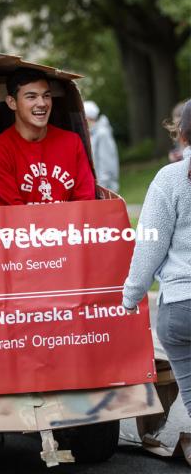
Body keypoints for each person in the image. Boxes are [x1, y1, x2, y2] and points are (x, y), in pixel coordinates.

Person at [122, 98, 191, 418]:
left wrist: (131, 296)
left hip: (182, 306)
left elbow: (150, 244)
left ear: (182, 135)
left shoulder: (171, 178)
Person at [0, 69, 95, 205]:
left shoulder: (72, 142)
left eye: (46, 96)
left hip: (72, 226)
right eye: (31, 97)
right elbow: (12, 215)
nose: (42, 103)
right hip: (25, 226)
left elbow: (86, 202)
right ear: (12, 103)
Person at [83, 100, 120, 192]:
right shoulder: (93, 134)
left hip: (106, 190)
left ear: (88, 117)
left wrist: (101, 188)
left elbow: (106, 164)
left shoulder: (102, 134)